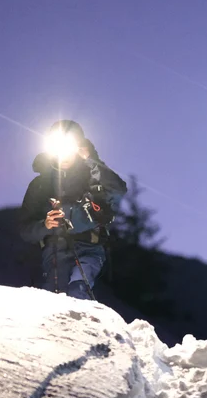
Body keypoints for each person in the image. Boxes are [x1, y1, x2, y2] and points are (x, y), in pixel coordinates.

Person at [19, 120, 127, 300]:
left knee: (78, 290)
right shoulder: (40, 185)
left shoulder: (93, 172)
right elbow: (25, 229)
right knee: (55, 297)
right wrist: (44, 225)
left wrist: (91, 160)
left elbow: (118, 190)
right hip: (55, 249)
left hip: (90, 247)